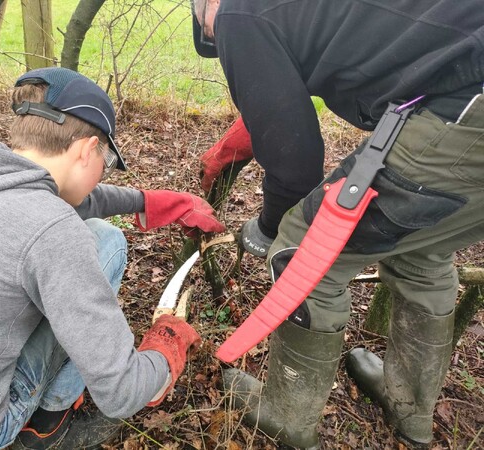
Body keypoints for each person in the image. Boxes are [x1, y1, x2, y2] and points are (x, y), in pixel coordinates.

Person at [190, 0, 484, 448]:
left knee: (305, 249)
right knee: (420, 249)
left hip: (465, 106)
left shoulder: (235, 12)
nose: (217, 39)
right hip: (463, 86)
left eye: (208, 34)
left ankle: (287, 416)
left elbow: (295, 165)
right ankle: (411, 409)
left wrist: (269, 227)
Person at [0, 67, 226, 450]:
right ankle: (49, 421)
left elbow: (68, 198)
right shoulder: (54, 231)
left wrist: (152, 202)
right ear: (86, 149)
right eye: (107, 161)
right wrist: (167, 345)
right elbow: (123, 393)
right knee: (107, 244)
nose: (102, 174)